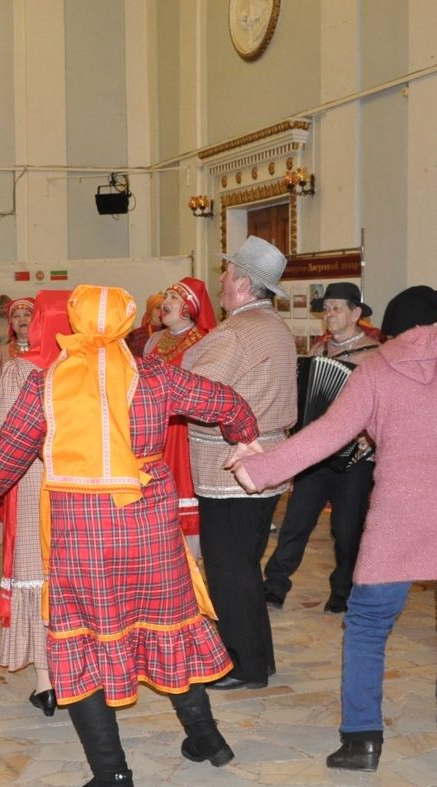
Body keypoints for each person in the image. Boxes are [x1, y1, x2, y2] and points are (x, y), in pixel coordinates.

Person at [0, 284, 261, 787]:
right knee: (169, 624)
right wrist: (245, 437)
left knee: (81, 645)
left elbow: (2, 457)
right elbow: (227, 402)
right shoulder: (156, 375)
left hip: (83, 538)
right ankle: (207, 739)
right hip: (151, 531)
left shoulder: (48, 384)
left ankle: (114, 781)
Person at [229, 285, 437, 772]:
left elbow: (328, 432)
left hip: (400, 512)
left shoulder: (377, 367)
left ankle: (362, 741)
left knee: (367, 624)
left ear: (391, 327)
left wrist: (260, 470)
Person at [182, 235, 298, 690]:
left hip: (229, 470)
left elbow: (193, 390)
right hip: (266, 466)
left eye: (227, 274)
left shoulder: (236, 334)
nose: (222, 282)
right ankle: (258, 659)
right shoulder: (274, 327)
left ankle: (241, 665)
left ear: (245, 284)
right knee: (244, 567)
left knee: (229, 572)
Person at [0, 289, 71, 717]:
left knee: (35, 570)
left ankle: (46, 681)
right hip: (77, 483)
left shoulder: (21, 370)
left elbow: (0, 434)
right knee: (67, 575)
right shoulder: (85, 366)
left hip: (32, 479)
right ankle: (76, 671)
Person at [263, 282, 378, 614]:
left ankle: (342, 591)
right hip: (315, 456)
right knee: (295, 522)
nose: (329, 314)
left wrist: (368, 436)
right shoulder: (317, 353)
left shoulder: (374, 356)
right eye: (326, 309)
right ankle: (274, 586)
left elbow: (384, 405)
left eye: (337, 308)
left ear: (356, 313)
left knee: (346, 528)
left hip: (355, 458)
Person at [143, 277, 217, 557]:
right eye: (166, 296)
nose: (166, 303)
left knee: (183, 486)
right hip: (154, 427)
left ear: (190, 306)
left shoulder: (204, 341)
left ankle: (188, 559)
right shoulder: (154, 340)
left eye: (174, 298)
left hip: (184, 429)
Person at [0, 296, 35, 415]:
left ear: (35, 320)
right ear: (11, 323)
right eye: (16, 316)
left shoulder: (45, 351)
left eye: (27, 315)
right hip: (8, 417)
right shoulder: (1, 352)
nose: (22, 319)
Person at [124, 291, 165, 357]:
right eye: (158, 308)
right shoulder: (136, 335)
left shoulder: (172, 334)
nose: (162, 312)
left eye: (165, 309)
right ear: (150, 311)